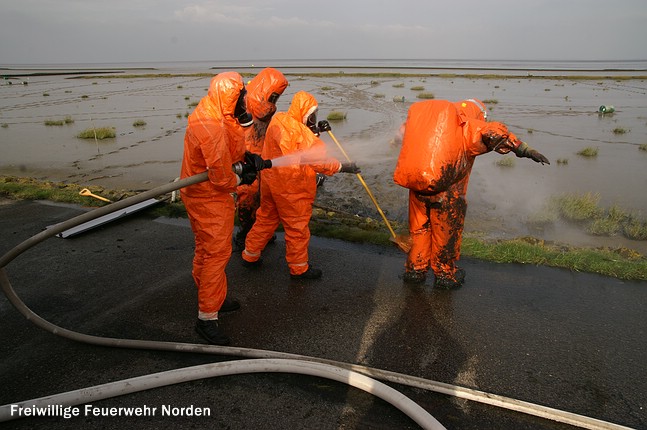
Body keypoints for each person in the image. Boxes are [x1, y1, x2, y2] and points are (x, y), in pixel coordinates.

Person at [393, 98, 549, 289]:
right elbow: (495, 133)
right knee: (446, 234)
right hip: (446, 191)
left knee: (419, 230)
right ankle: (445, 275)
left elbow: (402, 133)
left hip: (417, 187)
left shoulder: (429, 122)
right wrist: (524, 149)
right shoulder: (467, 125)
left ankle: (415, 271)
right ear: (478, 113)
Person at [180, 71, 264, 345]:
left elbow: (229, 150)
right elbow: (219, 176)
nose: (245, 100)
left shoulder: (217, 113)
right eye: (241, 96)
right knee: (215, 254)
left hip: (201, 193)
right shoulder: (211, 126)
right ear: (231, 96)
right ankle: (207, 319)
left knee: (205, 249)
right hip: (207, 197)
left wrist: (244, 158)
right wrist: (242, 178)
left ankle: (211, 294)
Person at [241, 91, 360, 279]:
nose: (313, 118)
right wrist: (342, 167)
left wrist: (315, 131)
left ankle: (250, 255)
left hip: (271, 183)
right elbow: (316, 159)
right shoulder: (300, 132)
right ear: (305, 112)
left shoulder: (280, 119)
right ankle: (299, 268)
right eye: (312, 115)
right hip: (291, 187)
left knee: (266, 218)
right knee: (297, 228)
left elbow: (298, 145)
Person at [234, 68, 289, 251]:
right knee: (247, 198)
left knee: (261, 198)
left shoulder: (263, 108)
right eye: (274, 96)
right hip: (247, 162)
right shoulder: (245, 106)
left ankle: (257, 233)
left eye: (277, 97)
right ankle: (244, 235)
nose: (274, 101)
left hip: (260, 161)